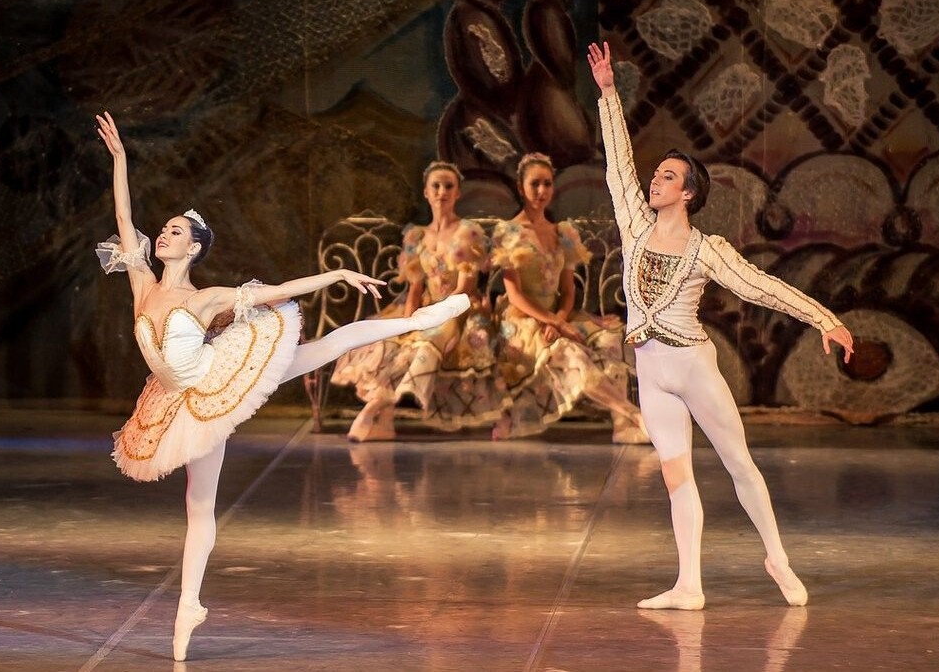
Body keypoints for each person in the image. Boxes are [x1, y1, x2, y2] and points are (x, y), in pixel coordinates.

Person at [93, 113, 469, 660]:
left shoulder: (206, 298)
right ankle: (189, 606)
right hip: (177, 401)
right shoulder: (142, 283)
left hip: (220, 379)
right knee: (198, 505)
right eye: (165, 230)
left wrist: (336, 276)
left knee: (326, 348)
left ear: (193, 248)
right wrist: (121, 159)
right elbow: (124, 216)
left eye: (176, 231)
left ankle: (417, 320)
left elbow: (280, 290)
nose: (165, 234)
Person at [587, 43, 855, 610]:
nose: (654, 182)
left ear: (687, 193)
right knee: (675, 476)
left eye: (667, 177)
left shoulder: (707, 249)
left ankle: (777, 558)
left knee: (738, 463)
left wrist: (824, 318)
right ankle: (689, 584)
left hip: (692, 366)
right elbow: (617, 166)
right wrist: (608, 94)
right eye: (656, 175)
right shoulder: (634, 225)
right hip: (651, 372)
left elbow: (762, 286)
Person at [332, 161, 506, 441]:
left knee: (427, 341)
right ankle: (385, 421)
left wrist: (436, 315)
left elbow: (464, 288)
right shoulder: (418, 236)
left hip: (459, 309)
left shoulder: (467, 232)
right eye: (436, 186)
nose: (442, 192)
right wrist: (407, 322)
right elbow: (415, 288)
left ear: (458, 193)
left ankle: (377, 406)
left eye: (448, 186)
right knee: (390, 341)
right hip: (427, 306)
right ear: (426, 192)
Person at [490, 153, 648, 443]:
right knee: (569, 352)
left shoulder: (562, 233)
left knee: (609, 339)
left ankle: (622, 427)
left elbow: (568, 291)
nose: (541, 191)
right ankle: (635, 415)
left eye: (547, 184)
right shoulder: (509, 232)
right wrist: (552, 322)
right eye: (534, 184)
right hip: (522, 319)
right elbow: (514, 294)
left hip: (557, 316)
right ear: (521, 187)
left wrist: (560, 319)